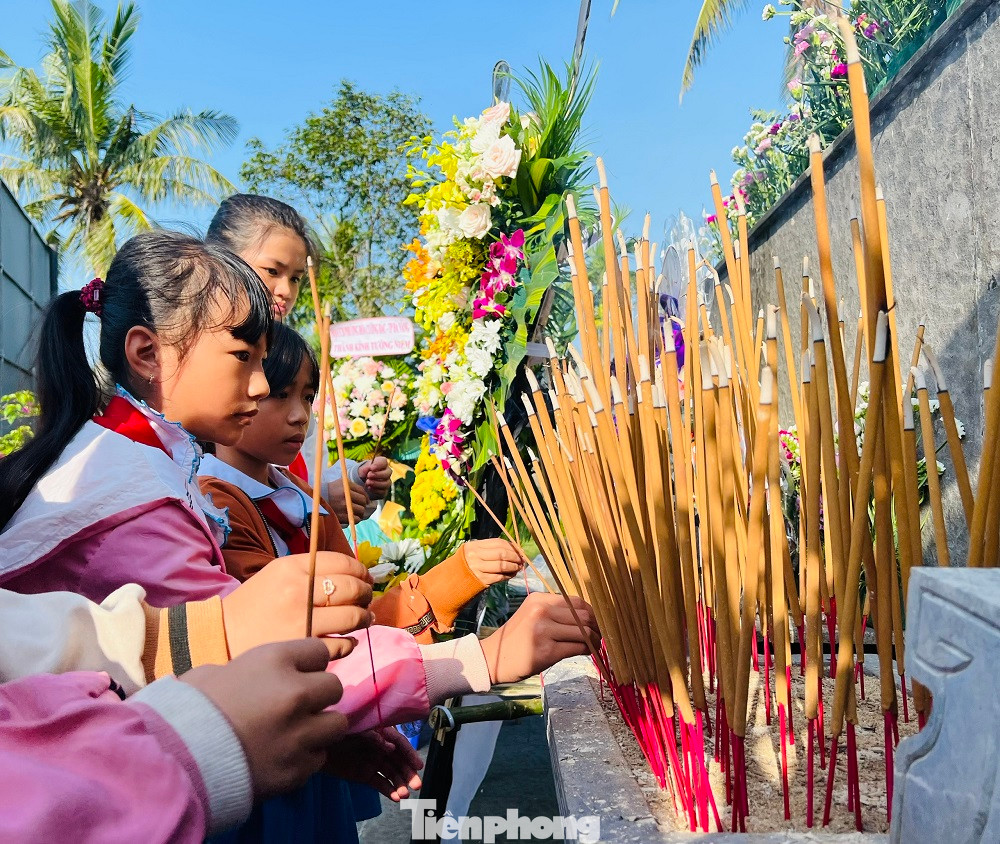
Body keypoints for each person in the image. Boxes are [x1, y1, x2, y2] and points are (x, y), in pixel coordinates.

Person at [200, 321, 526, 640]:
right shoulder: (214, 508)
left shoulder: (299, 494)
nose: (299, 415)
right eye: (281, 394)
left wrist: (459, 575)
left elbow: (360, 619)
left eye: (308, 397)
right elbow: (298, 636)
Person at [205, 193, 391, 524]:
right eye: (272, 271)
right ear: (221, 262)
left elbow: (301, 467)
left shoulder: (289, 355)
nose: (286, 291)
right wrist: (312, 502)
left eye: (295, 278)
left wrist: (352, 482)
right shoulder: (197, 364)